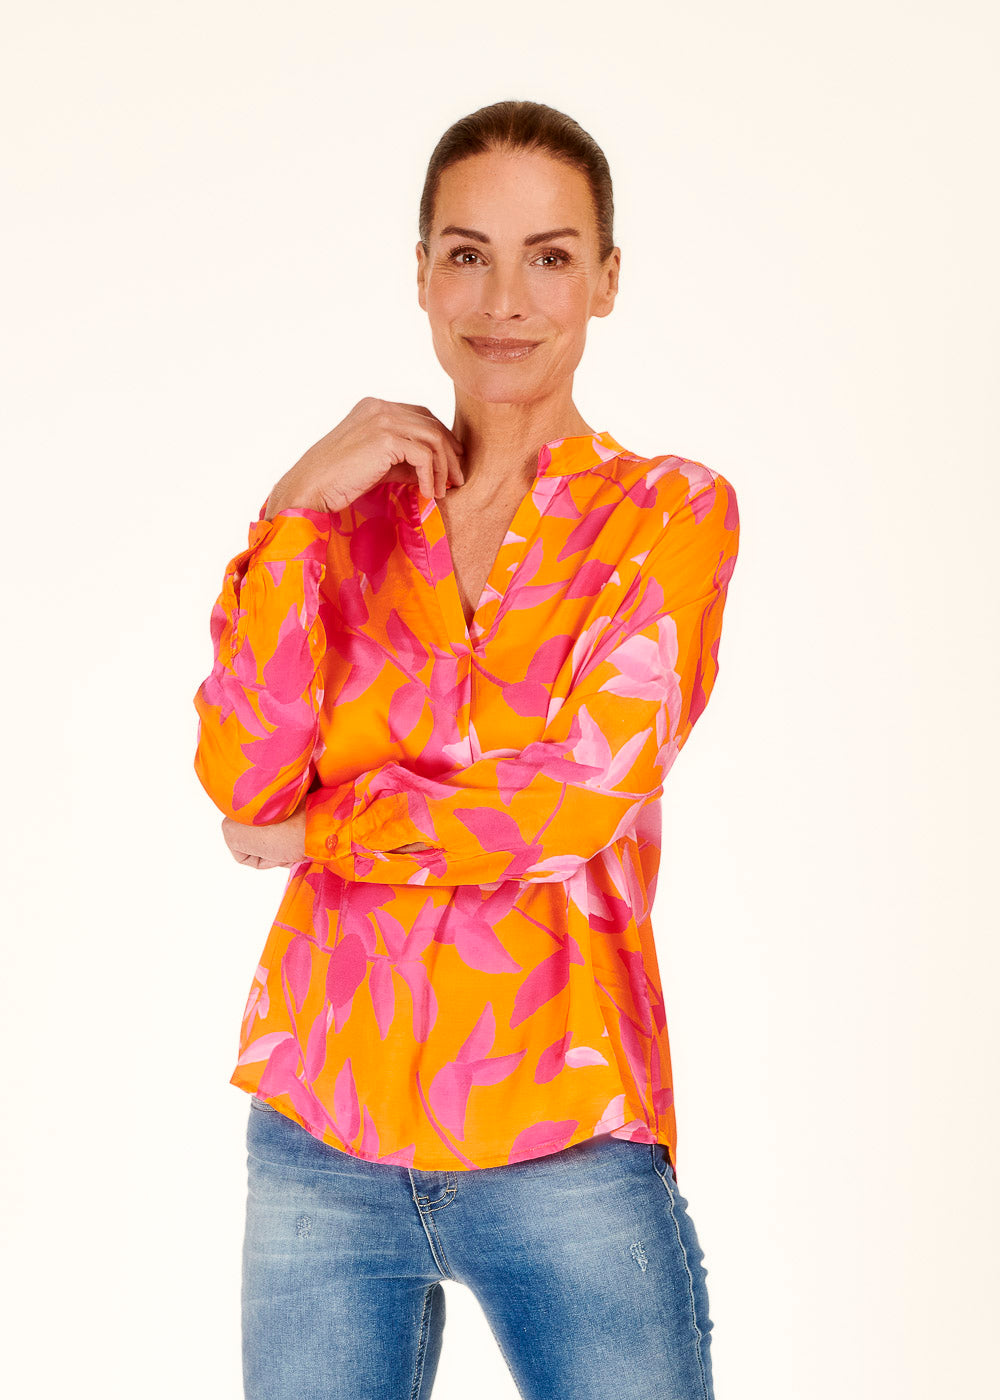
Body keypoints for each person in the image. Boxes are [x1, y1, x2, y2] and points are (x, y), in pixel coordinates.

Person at [193, 99, 740, 1400]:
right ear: (424, 274)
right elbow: (242, 776)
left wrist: (322, 830)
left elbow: (570, 803)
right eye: (468, 254)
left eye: (550, 256)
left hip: (564, 1133)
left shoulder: (667, 515)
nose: (505, 300)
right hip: (322, 1127)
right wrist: (288, 508)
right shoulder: (346, 519)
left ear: (606, 280)